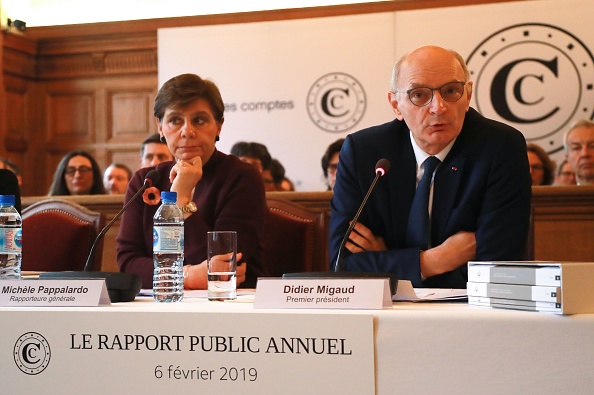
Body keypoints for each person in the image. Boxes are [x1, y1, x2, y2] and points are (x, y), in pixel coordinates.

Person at [330, 45, 531, 289]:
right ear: (395, 105)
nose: (438, 107)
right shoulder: (363, 153)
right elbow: (342, 267)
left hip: (468, 313)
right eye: (419, 95)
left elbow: (497, 267)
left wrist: (389, 261)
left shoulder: (500, 147)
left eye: (450, 91)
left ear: (467, 95)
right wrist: (432, 261)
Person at [117, 73, 268, 290]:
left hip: (230, 307)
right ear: (161, 127)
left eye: (199, 120)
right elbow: (128, 265)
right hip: (160, 307)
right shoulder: (146, 180)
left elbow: (222, 269)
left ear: (218, 126)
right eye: (175, 120)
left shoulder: (242, 177)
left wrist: (182, 201)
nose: (187, 131)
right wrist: (186, 275)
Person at [563, 119, 594, 185]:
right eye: (576, 148)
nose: (585, 154)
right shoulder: (557, 195)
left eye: (592, 146)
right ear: (567, 158)